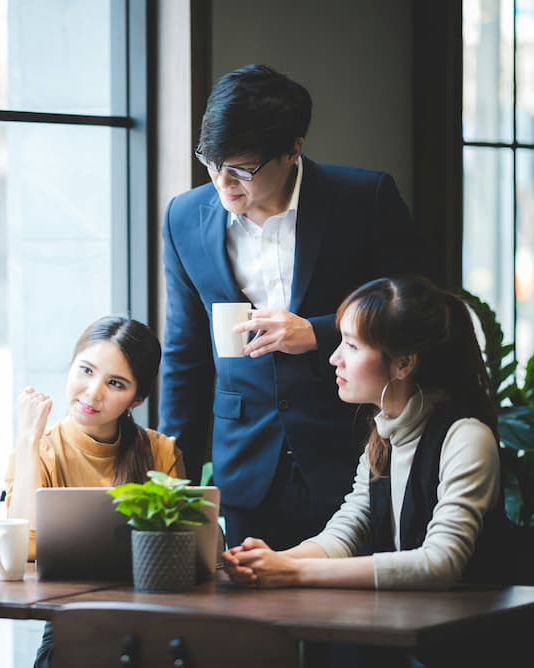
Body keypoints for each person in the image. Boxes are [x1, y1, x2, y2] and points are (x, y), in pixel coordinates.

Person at [159, 63, 428, 550]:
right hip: (245, 466)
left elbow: (416, 310)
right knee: (253, 621)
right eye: (212, 162)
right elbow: (185, 354)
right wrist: (170, 477)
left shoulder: (364, 200)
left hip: (351, 451)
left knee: (350, 619)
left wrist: (320, 332)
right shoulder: (184, 217)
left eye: (242, 168)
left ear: (293, 149)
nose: (224, 183)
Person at [222, 275, 514, 665]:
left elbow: (439, 563)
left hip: (473, 649)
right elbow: (348, 531)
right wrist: (270, 562)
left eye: (352, 346)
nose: (334, 358)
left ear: (404, 363)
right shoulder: (385, 433)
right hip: (414, 638)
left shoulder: (465, 436)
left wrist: (292, 572)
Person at [4, 315, 185, 668]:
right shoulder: (40, 450)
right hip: (70, 623)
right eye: (85, 370)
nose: (93, 392)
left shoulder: (161, 452)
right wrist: (28, 439)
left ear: (137, 399)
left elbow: (179, 550)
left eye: (116, 383)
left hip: (153, 620)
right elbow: (22, 546)